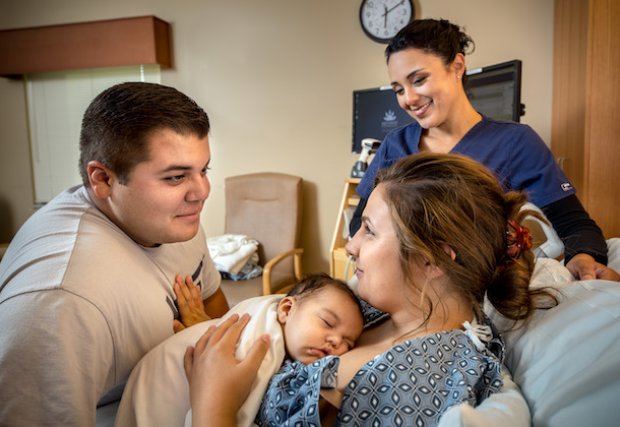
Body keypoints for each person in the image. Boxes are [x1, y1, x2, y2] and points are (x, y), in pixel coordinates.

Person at [185, 152, 558, 426]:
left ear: (432, 261)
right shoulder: (378, 311)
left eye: (370, 230)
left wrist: (212, 406)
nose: (351, 246)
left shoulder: (422, 383)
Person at [0, 82, 229, 426]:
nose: (202, 192)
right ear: (103, 179)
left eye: (203, 170)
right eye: (176, 176)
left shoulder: (175, 221)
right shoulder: (60, 301)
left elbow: (214, 305)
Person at [350, 18, 619, 282]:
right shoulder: (395, 144)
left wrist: (583, 256)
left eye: (419, 80)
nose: (408, 99)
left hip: (472, 294)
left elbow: (574, 224)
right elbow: (359, 225)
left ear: (457, 66)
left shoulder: (514, 142)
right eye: (398, 89)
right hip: (400, 286)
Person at [114, 272, 364, 427]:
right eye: (328, 323)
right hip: (159, 382)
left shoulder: (293, 334)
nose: (336, 343)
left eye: (348, 343)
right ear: (286, 309)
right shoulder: (264, 341)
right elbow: (238, 409)